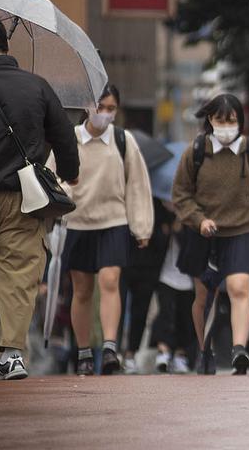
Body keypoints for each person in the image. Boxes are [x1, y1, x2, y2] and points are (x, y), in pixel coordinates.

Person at [0, 8, 80, 380]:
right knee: (17, 276)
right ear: (5, 44)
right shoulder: (37, 86)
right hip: (24, 199)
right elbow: (65, 140)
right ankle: (12, 353)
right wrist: (69, 173)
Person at [172, 94, 249, 375]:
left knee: (239, 288)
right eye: (220, 120)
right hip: (203, 234)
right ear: (210, 120)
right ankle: (205, 350)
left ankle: (238, 349)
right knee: (203, 296)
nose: (226, 125)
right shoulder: (196, 151)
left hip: (241, 231)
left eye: (232, 120)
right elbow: (181, 195)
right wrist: (199, 220)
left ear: (240, 121)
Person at [52, 83, 154, 375]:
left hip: (114, 221)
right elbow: (51, 176)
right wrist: (65, 193)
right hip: (78, 221)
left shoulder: (123, 140)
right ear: (87, 106)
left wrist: (141, 226)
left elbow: (137, 185)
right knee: (81, 290)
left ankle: (110, 349)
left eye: (112, 109)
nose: (106, 115)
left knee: (111, 281)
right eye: (101, 108)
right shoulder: (69, 138)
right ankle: (83, 352)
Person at [121, 198, 172, 374]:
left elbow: (165, 233)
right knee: (118, 307)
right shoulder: (126, 193)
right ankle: (114, 350)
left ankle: (129, 353)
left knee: (140, 311)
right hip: (124, 258)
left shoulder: (159, 200)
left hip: (148, 265)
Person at [150, 204, 196, 374]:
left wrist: (179, 226)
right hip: (165, 275)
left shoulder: (192, 217)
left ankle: (180, 355)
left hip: (187, 278)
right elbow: (155, 243)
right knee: (165, 313)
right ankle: (163, 351)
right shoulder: (161, 212)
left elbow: (191, 247)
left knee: (185, 317)